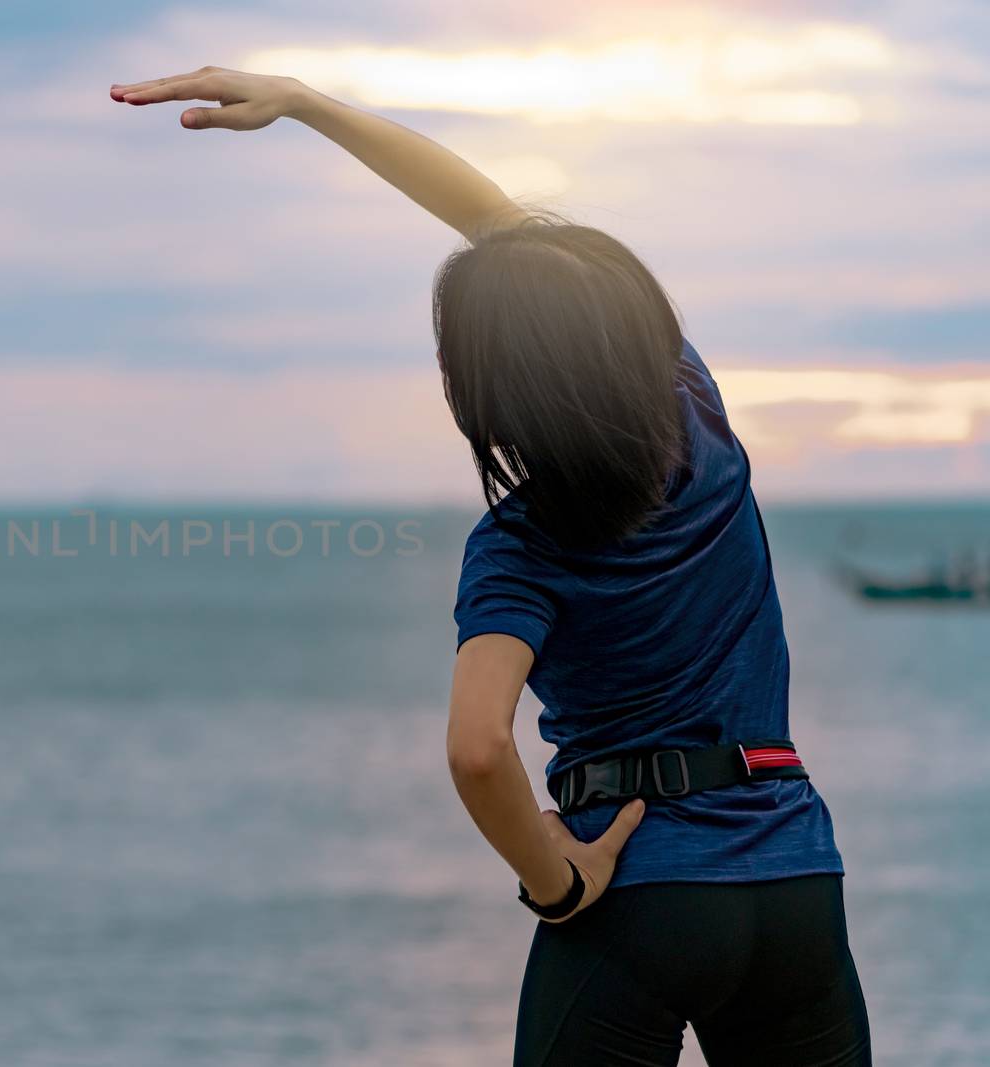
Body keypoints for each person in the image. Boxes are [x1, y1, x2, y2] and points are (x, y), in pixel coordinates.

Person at [111, 68, 871, 1066]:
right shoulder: (699, 414)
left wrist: (553, 878)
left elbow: (478, 747)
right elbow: (496, 224)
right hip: (792, 881)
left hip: (636, 890)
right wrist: (307, 102)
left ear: (489, 389)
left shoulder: (519, 544)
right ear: (627, 325)